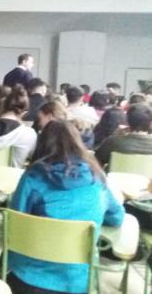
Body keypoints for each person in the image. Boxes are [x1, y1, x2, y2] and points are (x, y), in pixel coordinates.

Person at [7, 120, 124, 294]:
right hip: (77, 281)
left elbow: (14, 223)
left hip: (27, 278)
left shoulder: (32, 177)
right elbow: (116, 218)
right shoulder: (96, 177)